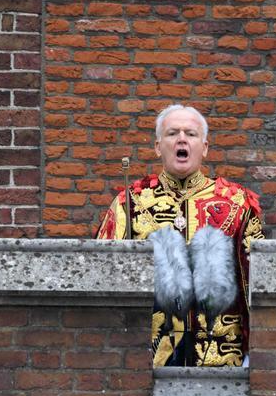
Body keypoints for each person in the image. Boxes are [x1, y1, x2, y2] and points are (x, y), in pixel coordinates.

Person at [97, 104, 265, 368]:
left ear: (205, 147)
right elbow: (103, 280)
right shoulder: (129, 203)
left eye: (191, 133)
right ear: (157, 146)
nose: (182, 139)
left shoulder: (237, 203)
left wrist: (257, 354)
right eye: (173, 133)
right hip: (145, 360)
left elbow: (256, 285)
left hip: (221, 358)